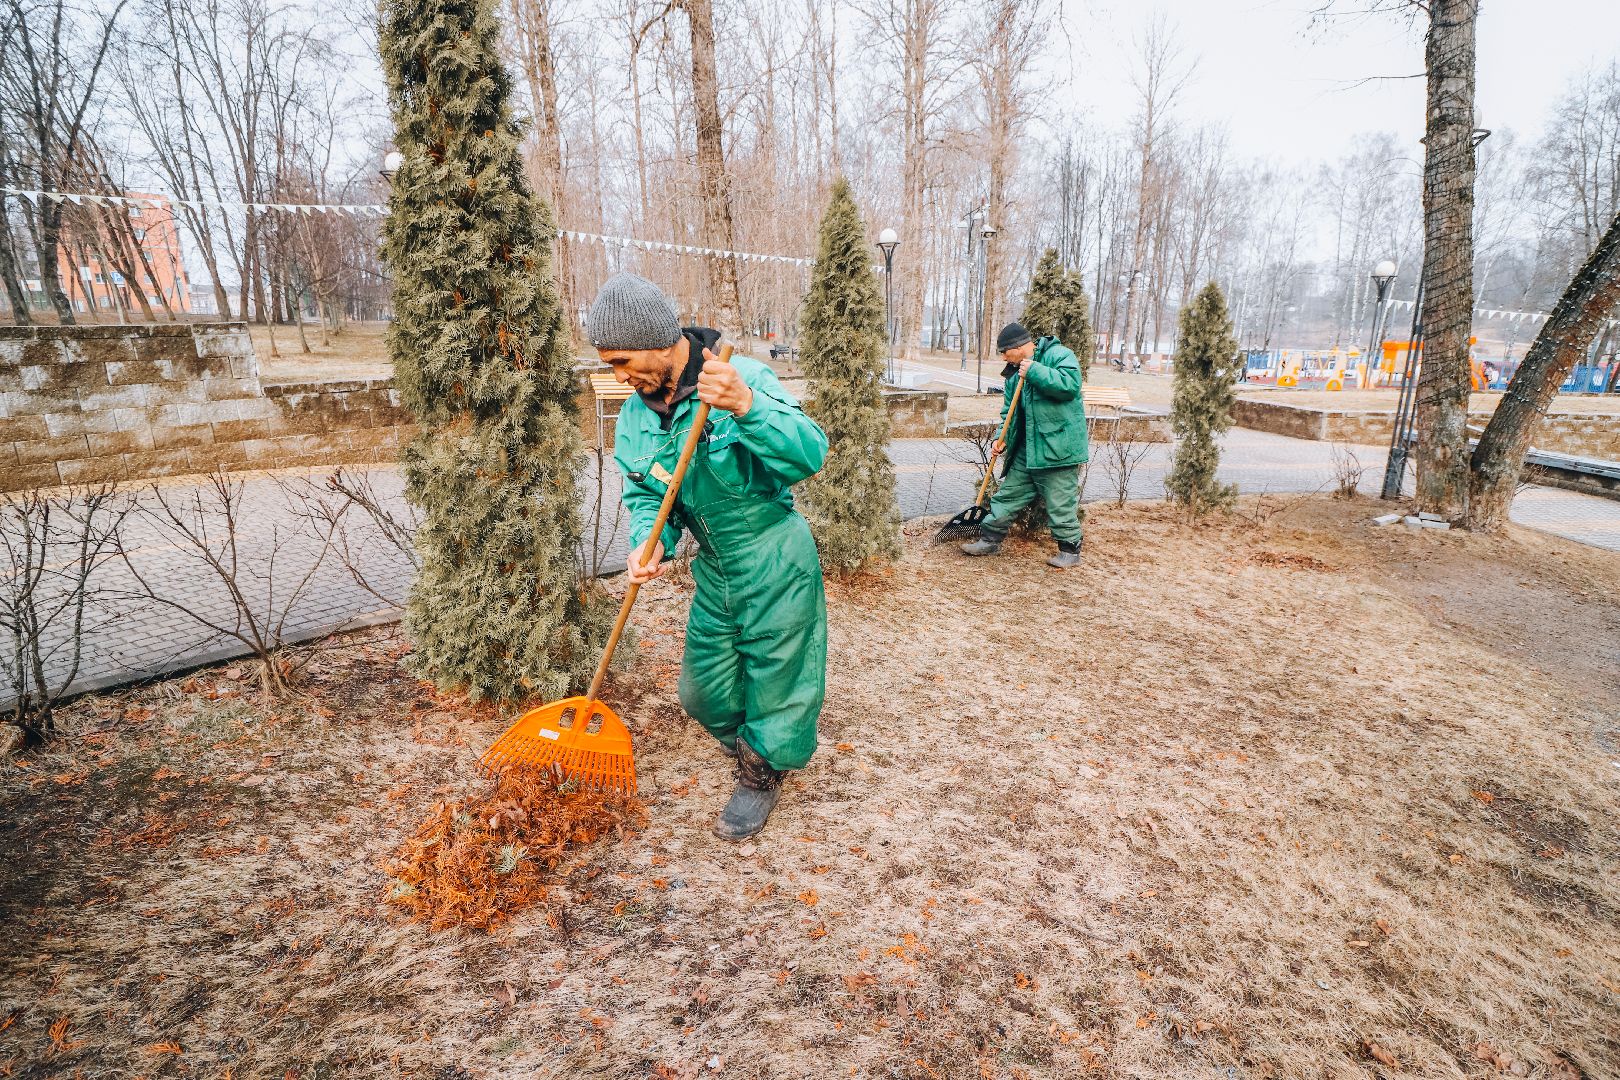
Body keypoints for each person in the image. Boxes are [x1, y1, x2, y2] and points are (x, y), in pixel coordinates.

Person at [588, 272, 830, 841]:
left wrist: (747, 408)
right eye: (611, 366)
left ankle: (762, 770)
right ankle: (750, 739)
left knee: (779, 677)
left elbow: (809, 452)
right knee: (702, 692)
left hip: (774, 555)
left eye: (622, 361)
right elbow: (648, 493)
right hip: (716, 567)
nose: (620, 377)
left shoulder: (737, 377)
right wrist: (648, 545)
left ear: (655, 338)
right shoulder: (635, 418)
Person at [960, 321, 1088, 568]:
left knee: (1060, 502)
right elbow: (1009, 412)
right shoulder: (1012, 374)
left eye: (1003, 352)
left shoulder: (1059, 355)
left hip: (1057, 449)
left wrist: (1035, 371)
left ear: (1017, 347)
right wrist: (1002, 439)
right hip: (1026, 451)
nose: (1002, 358)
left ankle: (1070, 551)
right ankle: (989, 539)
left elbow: (1070, 386)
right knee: (1007, 496)